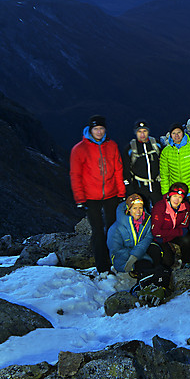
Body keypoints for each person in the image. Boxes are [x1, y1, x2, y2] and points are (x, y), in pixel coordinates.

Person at [70, 115, 125, 275]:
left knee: (113, 229)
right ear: (90, 130)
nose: (99, 132)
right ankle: (103, 267)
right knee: (98, 232)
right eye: (96, 129)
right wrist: (80, 199)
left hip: (111, 194)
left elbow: (118, 170)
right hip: (90, 197)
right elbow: (75, 175)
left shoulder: (111, 146)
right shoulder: (79, 149)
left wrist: (121, 192)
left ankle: (115, 260)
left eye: (101, 128)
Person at [108, 193, 170, 304]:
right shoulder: (116, 228)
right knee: (145, 263)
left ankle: (155, 277)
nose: (138, 211)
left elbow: (147, 239)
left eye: (140, 208)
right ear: (128, 210)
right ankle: (146, 282)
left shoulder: (146, 221)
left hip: (139, 252)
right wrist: (134, 257)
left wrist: (137, 255)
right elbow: (116, 250)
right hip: (124, 258)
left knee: (156, 251)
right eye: (134, 208)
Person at [159, 122, 190, 217]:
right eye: (174, 133)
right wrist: (165, 193)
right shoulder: (166, 152)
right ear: (170, 135)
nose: (176, 135)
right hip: (176, 193)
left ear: (183, 133)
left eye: (179, 132)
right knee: (180, 219)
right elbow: (164, 174)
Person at [150, 182, 190, 267]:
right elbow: (156, 232)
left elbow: (184, 227)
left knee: (188, 239)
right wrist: (178, 232)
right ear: (169, 195)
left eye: (180, 197)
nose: (176, 200)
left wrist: (176, 232)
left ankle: (185, 261)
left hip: (170, 234)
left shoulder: (185, 206)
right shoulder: (160, 207)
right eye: (174, 196)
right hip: (160, 238)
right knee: (168, 262)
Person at [123, 120, 162, 207]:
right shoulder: (130, 149)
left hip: (156, 185)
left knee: (159, 210)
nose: (142, 134)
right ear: (135, 133)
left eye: (145, 131)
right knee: (142, 212)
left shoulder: (156, 145)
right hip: (139, 187)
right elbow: (126, 170)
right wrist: (130, 191)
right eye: (139, 131)